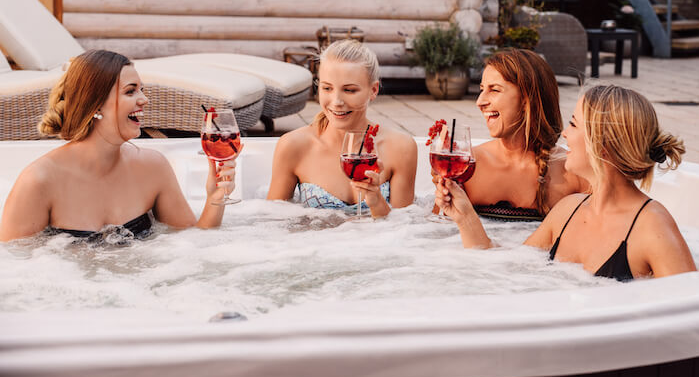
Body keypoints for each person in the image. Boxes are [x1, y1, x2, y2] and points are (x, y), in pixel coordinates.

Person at [436, 84, 697, 281]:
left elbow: (690, 322)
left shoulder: (653, 228)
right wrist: (465, 217)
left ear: (602, 144)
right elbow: (505, 266)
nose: (564, 134)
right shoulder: (567, 210)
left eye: (573, 124)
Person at [0, 50, 236, 242]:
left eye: (141, 90)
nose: (144, 99)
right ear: (96, 104)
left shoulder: (153, 167)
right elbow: (16, 270)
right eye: (130, 91)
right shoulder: (39, 181)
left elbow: (195, 246)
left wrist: (216, 198)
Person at [267, 39, 416, 217]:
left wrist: (376, 201)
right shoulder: (293, 145)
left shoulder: (400, 148)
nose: (337, 102)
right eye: (327, 88)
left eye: (350, 90)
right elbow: (272, 225)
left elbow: (405, 232)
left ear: (373, 90)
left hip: (378, 243)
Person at [434, 48, 585, 220]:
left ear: (527, 99)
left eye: (494, 90)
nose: (480, 101)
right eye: (482, 89)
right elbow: (438, 236)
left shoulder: (574, 172)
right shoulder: (467, 167)